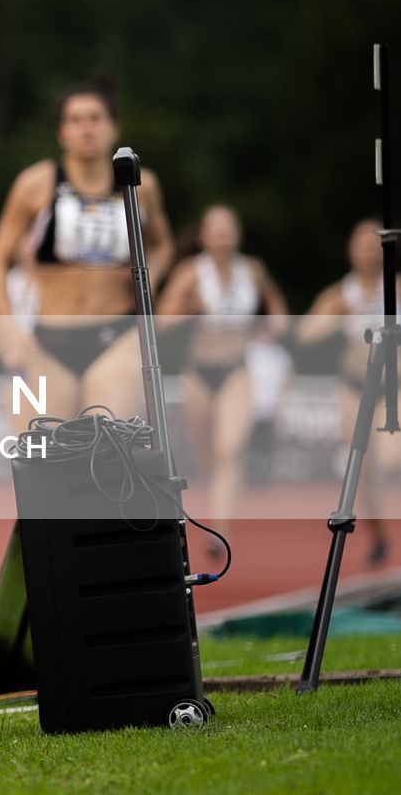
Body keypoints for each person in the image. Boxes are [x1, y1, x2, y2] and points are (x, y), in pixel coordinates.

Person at [0, 83, 173, 422]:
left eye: (95, 118)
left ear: (114, 126)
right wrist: (7, 325)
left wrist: (150, 277)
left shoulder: (140, 185)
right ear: (61, 132)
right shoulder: (36, 183)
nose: (86, 128)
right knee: (40, 457)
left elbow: (162, 245)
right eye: (75, 120)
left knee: (108, 452)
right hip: (47, 342)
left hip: (115, 337)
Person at [298, 218, 401, 565]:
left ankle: (380, 512)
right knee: (363, 469)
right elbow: (305, 333)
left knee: (395, 458)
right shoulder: (339, 294)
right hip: (353, 388)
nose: (367, 251)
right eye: (360, 244)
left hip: (393, 386)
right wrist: (336, 319)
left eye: (373, 244)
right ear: (350, 250)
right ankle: (379, 535)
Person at [155, 206, 288, 551]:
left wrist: (274, 323)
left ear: (238, 234)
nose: (222, 236)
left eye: (228, 229)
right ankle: (216, 504)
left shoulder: (252, 270)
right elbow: (161, 321)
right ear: (204, 237)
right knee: (205, 457)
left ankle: (221, 530)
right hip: (198, 373)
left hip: (236, 370)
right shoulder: (191, 272)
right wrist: (188, 310)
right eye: (215, 230)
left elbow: (276, 307)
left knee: (229, 450)